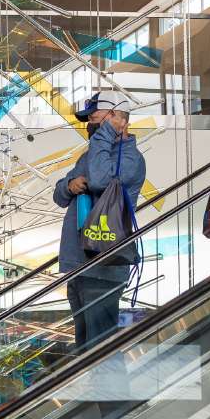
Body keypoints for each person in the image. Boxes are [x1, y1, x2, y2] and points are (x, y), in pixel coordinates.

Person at [53, 90, 146, 351]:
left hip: (104, 267)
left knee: (100, 351)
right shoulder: (91, 154)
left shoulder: (130, 159)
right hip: (80, 267)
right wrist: (69, 186)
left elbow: (100, 180)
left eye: (96, 119)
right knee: (85, 349)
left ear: (116, 117)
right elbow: (59, 194)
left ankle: (110, 393)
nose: (91, 126)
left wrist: (104, 136)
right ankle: (92, 392)